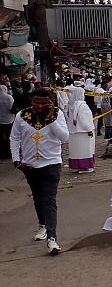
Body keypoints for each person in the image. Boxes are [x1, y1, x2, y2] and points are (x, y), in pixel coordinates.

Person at [11, 88, 70, 254]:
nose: (40, 106)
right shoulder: (22, 116)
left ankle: (52, 238)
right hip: (30, 165)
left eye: (44, 102)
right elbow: (14, 138)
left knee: (49, 199)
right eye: (37, 102)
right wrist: (17, 161)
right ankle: (42, 225)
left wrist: (51, 120)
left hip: (52, 164)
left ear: (50, 102)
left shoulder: (57, 114)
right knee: (37, 197)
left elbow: (64, 137)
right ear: (31, 101)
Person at [66, 86, 96, 174]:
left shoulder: (71, 104)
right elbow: (84, 119)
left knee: (76, 150)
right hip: (83, 131)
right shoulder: (82, 106)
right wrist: (89, 129)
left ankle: (78, 166)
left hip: (74, 130)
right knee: (85, 150)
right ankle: (85, 167)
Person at [0, 85, 15, 158]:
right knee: (9, 136)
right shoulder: (9, 97)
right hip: (9, 119)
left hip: (0, 120)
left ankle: (3, 151)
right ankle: (9, 151)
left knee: (2, 137)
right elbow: (12, 107)